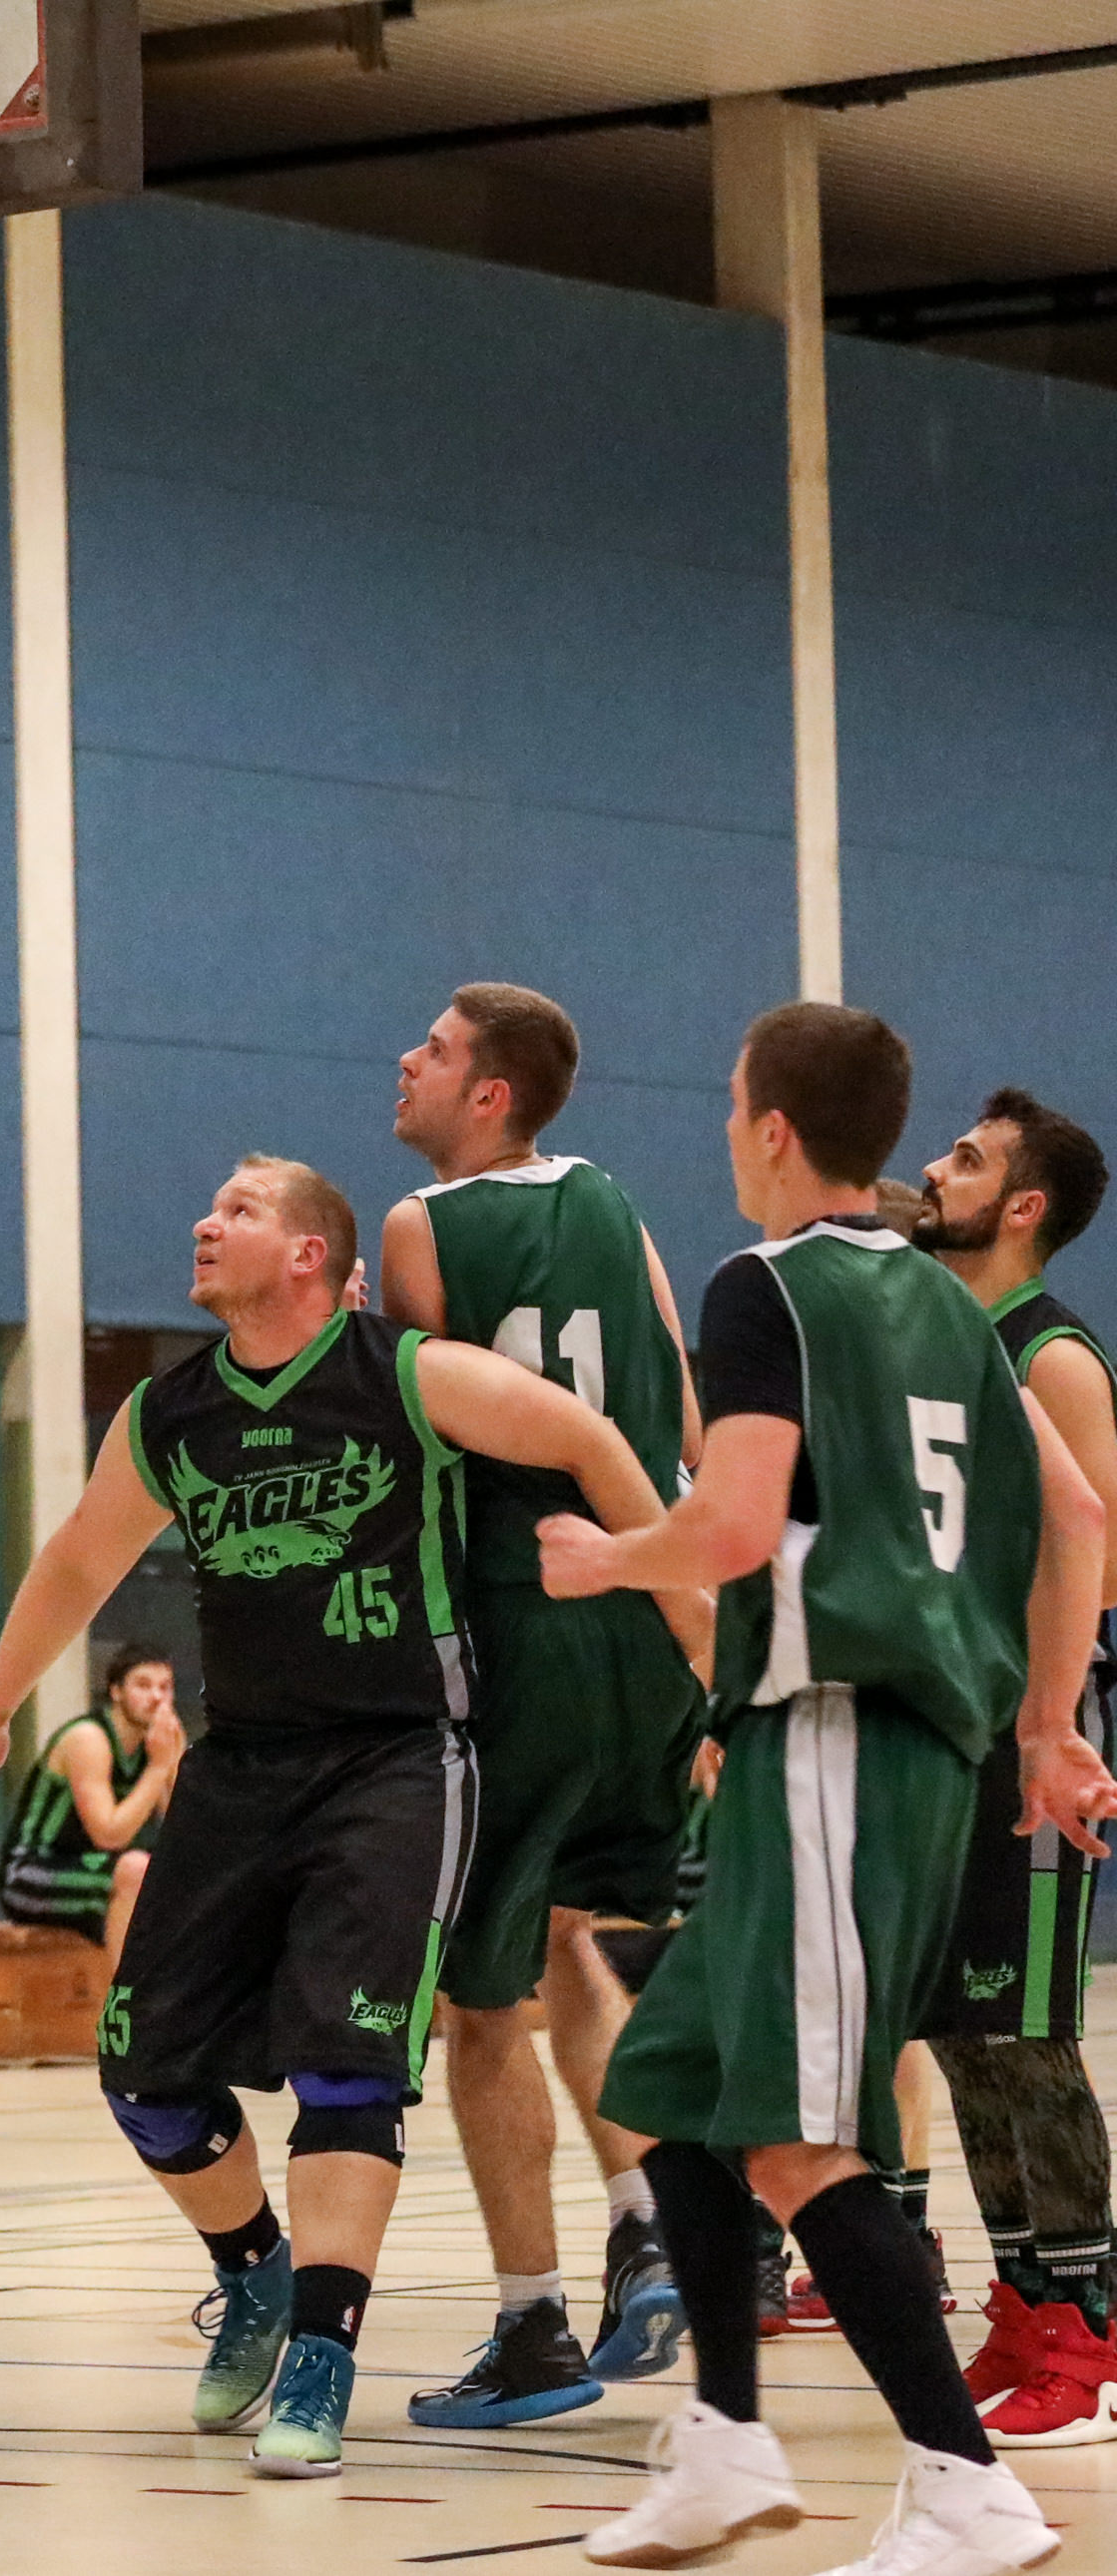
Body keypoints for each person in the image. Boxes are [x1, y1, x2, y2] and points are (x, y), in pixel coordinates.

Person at [0, 1152, 688, 2480]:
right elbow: (76, 1558)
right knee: (142, 2075)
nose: (202, 1220)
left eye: (235, 1208)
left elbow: (589, 1436)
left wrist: (683, 1607)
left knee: (349, 2069)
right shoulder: (171, 1412)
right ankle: (255, 2271)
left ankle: (323, 2360)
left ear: (308, 1254)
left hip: (397, 1760)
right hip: (241, 1768)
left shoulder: (405, 1375)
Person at [548, 1004, 1112, 2576]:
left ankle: (965, 2486)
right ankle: (725, 2440)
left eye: (735, 1105)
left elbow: (732, 1526)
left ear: (775, 1128)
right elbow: (1078, 1516)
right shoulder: (948, 1304)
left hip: (837, 1736)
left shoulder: (767, 1285)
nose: (728, 1131)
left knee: (800, 2140)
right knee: (671, 2077)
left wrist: (610, 1554)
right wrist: (1049, 1722)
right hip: (895, 1745)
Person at [376, 981, 714, 2426]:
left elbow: (418, 1431)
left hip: (528, 1621)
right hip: (647, 1609)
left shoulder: (419, 1226)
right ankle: (648, 2223)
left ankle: (530, 2328)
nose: (406, 1060)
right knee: (573, 1933)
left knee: (478, 2001)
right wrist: (693, 1604)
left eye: (435, 1049)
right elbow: (681, 1414)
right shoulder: (617, 1203)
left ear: (490, 1093)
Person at [910, 1086, 1117, 2446]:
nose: (935, 1168)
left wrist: (1043, 1714)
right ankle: (1027, 2297)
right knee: (960, 2026)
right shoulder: (939, 1331)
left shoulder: (1051, 1357)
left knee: (1029, 2029)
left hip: (1031, 1724)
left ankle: (1092, 2327)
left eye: (968, 1158)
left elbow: (1099, 1554)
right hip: (944, 1724)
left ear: (1022, 1205)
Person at [0, 1643, 182, 1972]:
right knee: (136, 1869)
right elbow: (108, 1836)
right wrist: (158, 1769)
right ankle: (126, 1996)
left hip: (96, 1870)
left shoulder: (159, 1743)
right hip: (33, 1873)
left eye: (165, 1687)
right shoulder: (89, 1739)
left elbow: (184, 1833)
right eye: (143, 1685)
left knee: (188, 1875)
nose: (157, 1697)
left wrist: (174, 1764)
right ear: (115, 1691)